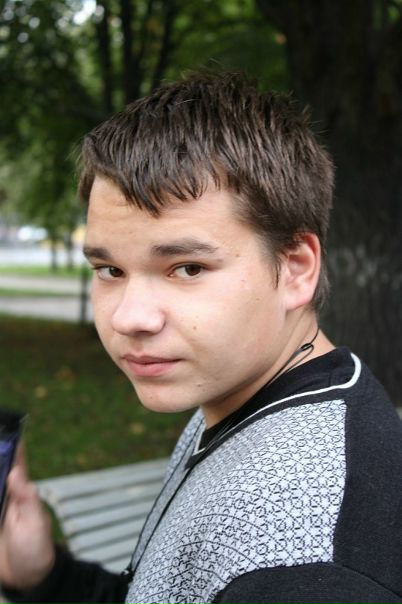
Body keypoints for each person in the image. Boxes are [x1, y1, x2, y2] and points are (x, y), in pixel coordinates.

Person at [1, 71, 402, 604]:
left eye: (187, 268)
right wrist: (47, 577)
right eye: (110, 270)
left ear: (296, 268)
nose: (129, 318)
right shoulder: (244, 392)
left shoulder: (308, 570)